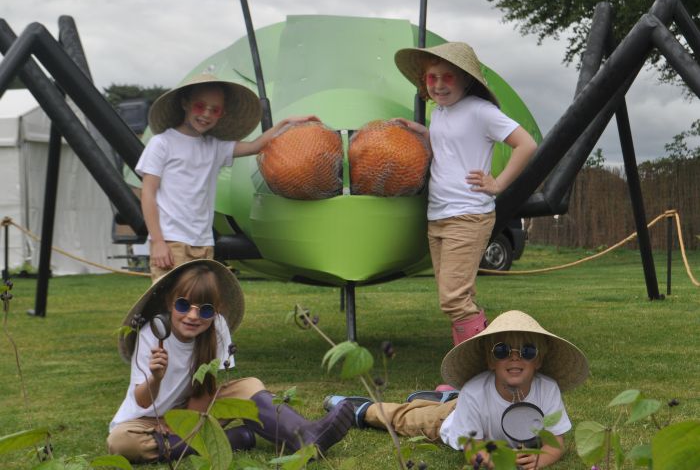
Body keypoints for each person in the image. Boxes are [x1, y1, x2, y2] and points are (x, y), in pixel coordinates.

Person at [107, 259, 353, 463]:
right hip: (144, 421)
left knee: (249, 386)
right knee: (119, 442)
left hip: (191, 410)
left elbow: (207, 389)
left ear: (216, 310)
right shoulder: (153, 332)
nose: (193, 316)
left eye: (204, 310)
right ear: (171, 302)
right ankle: (233, 440)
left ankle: (305, 436)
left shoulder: (217, 327)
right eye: (184, 305)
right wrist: (156, 377)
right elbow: (142, 400)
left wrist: (184, 424)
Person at [392, 42, 538, 355]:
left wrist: (497, 183)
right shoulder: (441, 112)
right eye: (432, 78)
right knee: (458, 295)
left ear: (466, 79)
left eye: (448, 77)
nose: (440, 85)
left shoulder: (481, 111)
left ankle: (479, 363)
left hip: (468, 214)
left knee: (453, 298)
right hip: (439, 216)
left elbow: (526, 144)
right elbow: (448, 143)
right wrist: (420, 130)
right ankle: (477, 365)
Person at [324, 310, 589, 469]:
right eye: (502, 351)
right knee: (405, 419)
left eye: (527, 351)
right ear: (490, 360)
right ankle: (356, 407)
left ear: (539, 360)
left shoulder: (548, 389)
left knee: (443, 405)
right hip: (450, 420)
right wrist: (489, 460)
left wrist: (541, 459)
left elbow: (557, 443)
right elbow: (471, 446)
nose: (515, 358)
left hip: (462, 406)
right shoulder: (475, 391)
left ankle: (442, 397)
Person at [137, 70, 318, 281]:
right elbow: (148, 194)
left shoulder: (214, 148)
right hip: (171, 241)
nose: (206, 114)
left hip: (203, 242)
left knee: (198, 306)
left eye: (214, 110)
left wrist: (285, 123)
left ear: (221, 114)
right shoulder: (162, 143)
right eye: (200, 106)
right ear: (185, 103)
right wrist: (158, 242)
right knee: (171, 306)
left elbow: (255, 146)